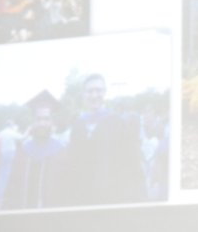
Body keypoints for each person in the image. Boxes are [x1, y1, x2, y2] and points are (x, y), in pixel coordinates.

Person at [61, 74, 146, 206]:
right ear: (83, 94)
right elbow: (73, 163)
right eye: (90, 91)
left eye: (98, 90)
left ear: (105, 92)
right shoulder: (78, 125)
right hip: (83, 197)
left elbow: (131, 162)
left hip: (113, 196)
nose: (94, 95)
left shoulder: (117, 123)